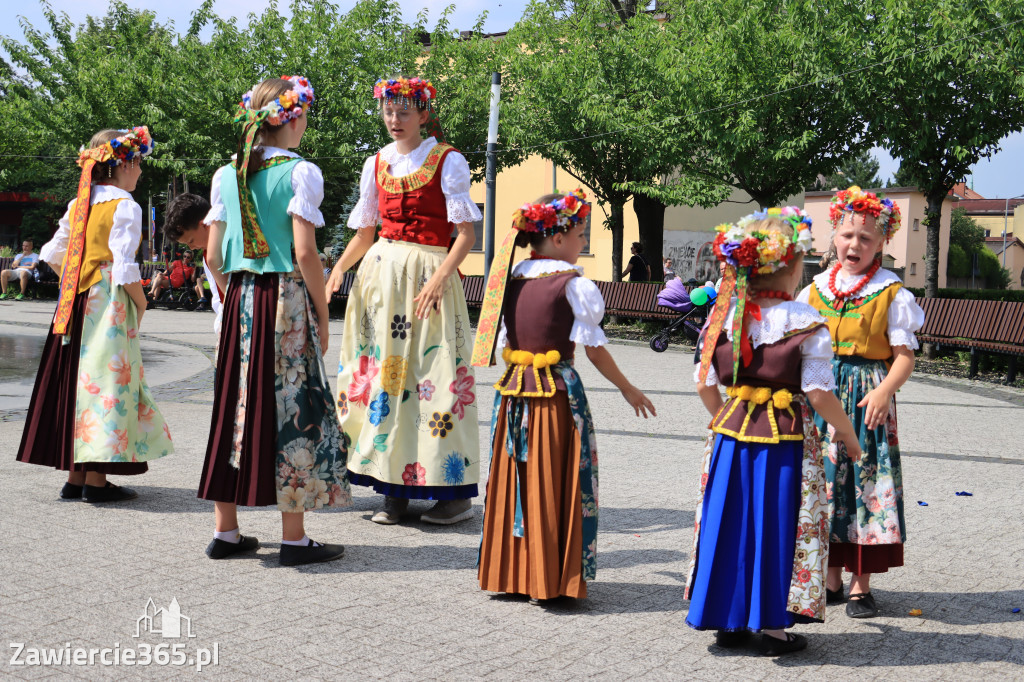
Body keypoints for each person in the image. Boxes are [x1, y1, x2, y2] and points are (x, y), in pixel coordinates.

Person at [685, 207, 861, 655]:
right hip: (784, 438)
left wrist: (727, 411)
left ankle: (727, 619)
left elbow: (703, 381)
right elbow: (819, 395)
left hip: (730, 434)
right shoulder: (806, 323)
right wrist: (847, 433)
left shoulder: (723, 317)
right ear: (792, 266)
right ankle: (774, 629)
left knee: (730, 519)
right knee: (779, 521)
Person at [473, 190, 656, 603]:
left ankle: (515, 573)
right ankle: (549, 580)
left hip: (514, 391)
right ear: (557, 238)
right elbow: (593, 349)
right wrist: (627, 387)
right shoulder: (572, 284)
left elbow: (504, 338)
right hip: (554, 394)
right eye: (580, 234)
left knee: (517, 475)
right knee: (553, 477)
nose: (583, 243)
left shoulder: (511, 278)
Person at [199, 75, 352, 566]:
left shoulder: (227, 174)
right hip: (285, 298)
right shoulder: (302, 172)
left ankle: (226, 532)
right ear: (295, 118)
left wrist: (235, 296)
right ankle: (293, 539)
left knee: (233, 405)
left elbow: (213, 255)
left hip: (242, 298)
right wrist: (323, 313)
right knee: (291, 404)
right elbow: (305, 252)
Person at [327, 76, 482, 526]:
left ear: (423, 114)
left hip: (426, 281)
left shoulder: (447, 160)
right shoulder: (375, 162)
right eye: (389, 112)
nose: (395, 120)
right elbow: (364, 232)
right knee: (383, 376)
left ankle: (452, 493)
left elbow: (466, 235)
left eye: (404, 113)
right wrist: (339, 267)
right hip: (380, 280)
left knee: (433, 378)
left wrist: (439, 278)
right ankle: (390, 484)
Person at [16, 127, 173, 501]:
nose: (140, 172)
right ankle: (97, 484)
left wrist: (78, 279)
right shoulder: (125, 205)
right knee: (107, 383)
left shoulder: (80, 202)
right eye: (138, 164)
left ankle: (75, 478)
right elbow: (123, 266)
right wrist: (142, 301)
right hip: (109, 302)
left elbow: (52, 253)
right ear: (124, 163)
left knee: (76, 379)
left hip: (74, 298)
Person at [797, 186, 924, 619]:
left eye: (866, 238)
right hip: (821, 395)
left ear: (883, 243)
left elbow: (904, 356)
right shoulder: (813, 290)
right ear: (834, 234)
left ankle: (859, 583)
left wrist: (886, 391)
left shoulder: (892, 293)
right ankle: (830, 577)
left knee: (866, 486)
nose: (855, 244)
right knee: (825, 483)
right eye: (848, 234)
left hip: (868, 396)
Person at [162, 193, 224, 332]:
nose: (191, 248)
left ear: (204, 225)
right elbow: (217, 297)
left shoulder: (224, 248)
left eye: (191, 241)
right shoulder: (207, 255)